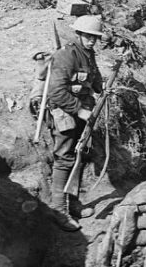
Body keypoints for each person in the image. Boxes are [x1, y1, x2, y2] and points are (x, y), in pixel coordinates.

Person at [46, 16, 105, 231]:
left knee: (80, 155)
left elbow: (94, 81)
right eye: (89, 37)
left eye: (95, 38)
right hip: (65, 112)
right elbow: (56, 91)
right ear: (79, 34)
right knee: (65, 158)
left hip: (83, 112)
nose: (92, 41)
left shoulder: (88, 55)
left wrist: (103, 84)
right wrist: (78, 110)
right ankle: (58, 210)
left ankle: (73, 203)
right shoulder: (67, 55)